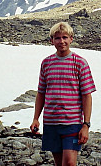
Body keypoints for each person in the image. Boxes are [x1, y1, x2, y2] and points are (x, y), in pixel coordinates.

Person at [30, 22, 96, 166]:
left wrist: (86, 125)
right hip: (51, 122)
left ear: (71, 38)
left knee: (70, 163)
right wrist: (36, 118)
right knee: (59, 163)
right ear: (51, 40)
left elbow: (87, 95)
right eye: (57, 38)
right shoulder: (46, 63)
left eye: (65, 37)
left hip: (72, 122)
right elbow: (41, 92)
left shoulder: (80, 63)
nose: (62, 41)